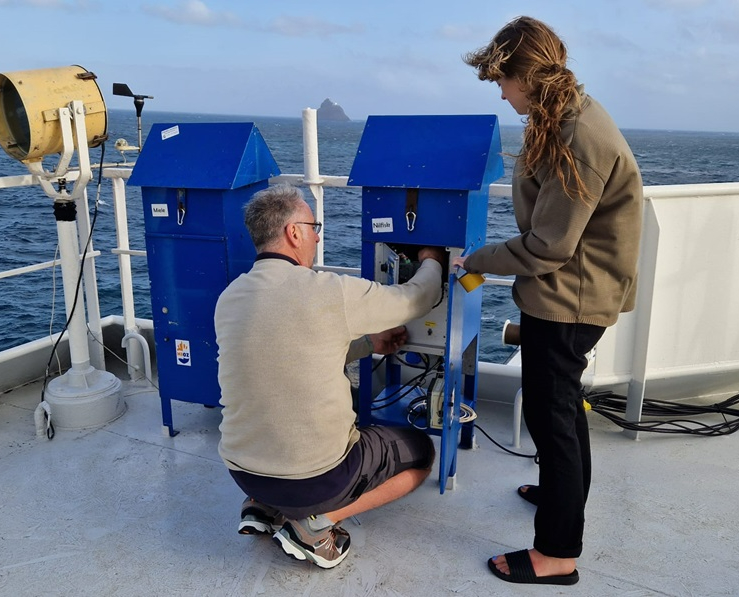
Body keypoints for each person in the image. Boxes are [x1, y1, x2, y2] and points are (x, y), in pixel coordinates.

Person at [457, 16, 643, 586]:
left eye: (502, 82)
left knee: (550, 413)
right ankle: (565, 495)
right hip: (568, 290)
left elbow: (548, 247)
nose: (502, 93)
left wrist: (476, 260)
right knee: (557, 407)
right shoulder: (562, 115)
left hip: (570, 299)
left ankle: (557, 554)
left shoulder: (578, 138)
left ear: (525, 75)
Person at [215, 184, 446, 569]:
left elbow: (288, 349)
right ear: (294, 233)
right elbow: (416, 298)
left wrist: (369, 343)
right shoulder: (330, 291)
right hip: (316, 481)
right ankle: (316, 524)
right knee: (421, 452)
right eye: (314, 226)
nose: (318, 236)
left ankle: (262, 509)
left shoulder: (231, 296)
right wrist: (432, 259)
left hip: (243, 473)